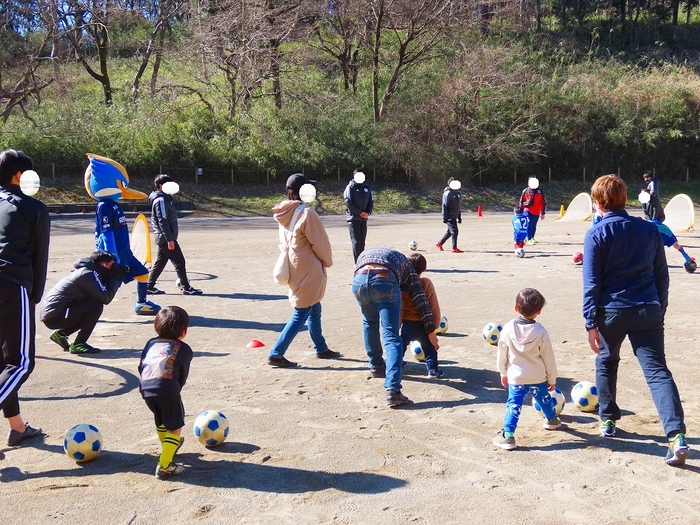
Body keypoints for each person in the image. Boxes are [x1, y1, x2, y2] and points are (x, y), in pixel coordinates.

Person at [583, 174, 689, 466]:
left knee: (606, 361)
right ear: (623, 198)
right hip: (648, 308)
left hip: (611, 312)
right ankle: (676, 436)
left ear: (597, 202)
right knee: (657, 372)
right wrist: (659, 308)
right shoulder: (649, 229)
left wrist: (589, 322)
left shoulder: (596, 234)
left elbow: (592, 283)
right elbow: (661, 276)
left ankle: (608, 421)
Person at [0, 149, 50, 455]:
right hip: (10, 280)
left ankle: (17, 427)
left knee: (1, 362)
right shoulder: (32, 207)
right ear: (20, 176)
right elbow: (38, 256)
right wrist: (33, 295)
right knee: (19, 362)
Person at [352, 247, 439, 407]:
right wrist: (431, 332)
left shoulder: (390, 258)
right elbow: (422, 303)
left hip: (359, 278)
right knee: (391, 336)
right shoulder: (409, 270)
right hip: (384, 280)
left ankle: (376, 366)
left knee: (369, 323)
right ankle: (393, 390)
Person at [268, 173, 338, 367]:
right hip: (308, 267)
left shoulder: (285, 212)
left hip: (293, 265)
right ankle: (276, 352)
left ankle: (321, 347)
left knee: (314, 306)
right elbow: (320, 243)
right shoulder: (307, 213)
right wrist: (327, 261)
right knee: (302, 311)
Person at [85, 154, 161, 315]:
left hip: (125, 251)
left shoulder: (114, 205)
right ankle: (84, 308)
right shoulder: (104, 206)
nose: (123, 189)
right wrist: (111, 256)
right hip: (112, 254)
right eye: (121, 185)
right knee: (104, 285)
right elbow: (106, 233)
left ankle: (141, 303)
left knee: (142, 273)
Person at [493, 288, 561, 450]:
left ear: (516, 308)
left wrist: (503, 372)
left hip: (516, 377)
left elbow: (502, 353)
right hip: (537, 376)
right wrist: (552, 378)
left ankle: (508, 435)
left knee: (514, 405)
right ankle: (551, 420)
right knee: (544, 399)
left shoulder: (508, 329)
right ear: (539, 311)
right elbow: (548, 358)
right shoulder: (541, 331)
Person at [138, 305, 193, 479]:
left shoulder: (150, 343)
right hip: (168, 388)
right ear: (183, 332)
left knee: (161, 419)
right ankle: (165, 464)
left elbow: (142, 364)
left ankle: (168, 447)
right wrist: (176, 389)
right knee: (175, 425)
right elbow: (182, 373)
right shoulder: (184, 349)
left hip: (146, 386)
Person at [41, 250, 128, 354]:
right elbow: (106, 298)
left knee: (92, 304)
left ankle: (61, 334)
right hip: (55, 316)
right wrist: (114, 278)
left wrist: (116, 278)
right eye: (112, 265)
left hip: (55, 313)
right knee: (95, 306)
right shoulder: (87, 274)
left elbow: (102, 292)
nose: (113, 268)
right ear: (103, 264)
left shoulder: (89, 271)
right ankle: (79, 344)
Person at [146, 174, 202, 296]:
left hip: (164, 237)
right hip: (165, 237)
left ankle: (149, 286)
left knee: (160, 263)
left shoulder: (165, 198)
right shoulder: (160, 200)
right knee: (179, 262)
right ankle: (186, 287)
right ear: (161, 186)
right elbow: (162, 220)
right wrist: (170, 239)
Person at [400, 253, 443, 379]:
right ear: (424, 268)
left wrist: (398, 322)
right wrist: (434, 325)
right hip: (423, 324)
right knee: (429, 348)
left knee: (401, 345)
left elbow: (400, 306)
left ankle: (396, 363)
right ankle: (433, 370)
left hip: (407, 323)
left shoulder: (403, 285)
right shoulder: (426, 283)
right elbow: (433, 304)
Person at [343, 169, 374, 263]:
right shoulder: (350, 187)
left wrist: (367, 212)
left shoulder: (367, 187)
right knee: (356, 241)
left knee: (362, 242)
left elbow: (371, 201)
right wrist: (359, 212)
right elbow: (348, 201)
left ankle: (362, 260)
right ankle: (357, 263)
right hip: (353, 219)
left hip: (363, 219)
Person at [436, 178, 463, 253]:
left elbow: (458, 206)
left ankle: (439, 243)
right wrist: (445, 217)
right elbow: (444, 205)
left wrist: (459, 217)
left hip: (454, 216)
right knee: (454, 231)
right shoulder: (447, 193)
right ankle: (454, 248)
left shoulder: (457, 193)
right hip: (449, 216)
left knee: (450, 232)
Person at [518, 176, 546, 244]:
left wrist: (542, 213)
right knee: (529, 224)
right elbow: (521, 202)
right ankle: (528, 238)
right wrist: (520, 212)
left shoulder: (540, 192)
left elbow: (543, 202)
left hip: (536, 212)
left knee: (533, 225)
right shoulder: (525, 191)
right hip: (527, 210)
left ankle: (532, 237)